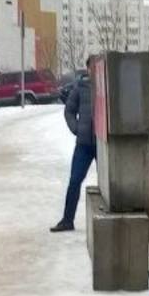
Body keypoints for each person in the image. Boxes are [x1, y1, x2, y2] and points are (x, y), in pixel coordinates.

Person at [51, 56, 98, 233]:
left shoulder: (108, 86)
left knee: (108, 183)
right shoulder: (80, 87)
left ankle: (109, 219)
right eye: (92, 67)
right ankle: (67, 220)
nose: (94, 70)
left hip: (103, 144)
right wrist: (76, 128)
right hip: (84, 144)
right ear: (88, 69)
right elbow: (69, 110)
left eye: (97, 67)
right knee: (75, 181)